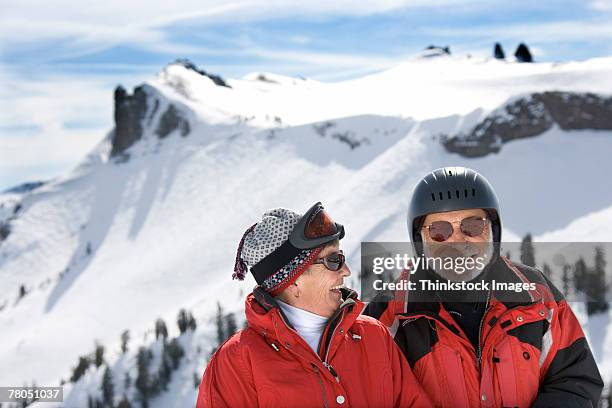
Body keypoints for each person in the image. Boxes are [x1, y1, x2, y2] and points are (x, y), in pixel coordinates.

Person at [365, 167, 603, 408]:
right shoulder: (390, 316)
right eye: (439, 230)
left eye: (473, 225)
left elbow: (575, 381)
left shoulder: (536, 295)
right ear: (420, 240)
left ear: (493, 230)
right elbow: (366, 395)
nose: (458, 241)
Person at [196, 202, 430, 408]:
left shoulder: (373, 336)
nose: (346, 271)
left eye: (341, 258)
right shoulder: (237, 362)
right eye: (333, 261)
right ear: (293, 280)